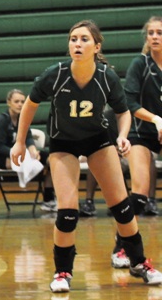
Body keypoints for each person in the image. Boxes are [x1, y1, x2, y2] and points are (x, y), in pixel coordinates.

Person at [10, 20, 162, 293]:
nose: (77, 44)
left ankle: (139, 263)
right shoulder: (55, 74)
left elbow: (123, 110)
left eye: (83, 39)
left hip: (97, 141)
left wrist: (123, 135)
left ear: (96, 46)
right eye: (73, 39)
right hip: (63, 143)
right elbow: (31, 105)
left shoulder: (106, 76)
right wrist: (20, 142)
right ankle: (62, 272)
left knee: (123, 207)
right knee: (68, 211)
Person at [110, 16, 162, 268]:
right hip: (140, 132)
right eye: (150, 33)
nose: (154, 37)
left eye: (159, 32)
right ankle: (121, 248)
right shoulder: (140, 65)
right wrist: (157, 120)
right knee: (139, 194)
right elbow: (129, 103)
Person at [0, 89, 56, 211]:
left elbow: (28, 136)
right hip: (2, 157)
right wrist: (17, 153)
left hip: (21, 154)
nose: (20, 104)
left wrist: (32, 150)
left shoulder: (22, 118)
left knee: (52, 159)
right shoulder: (1, 121)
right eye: (16, 101)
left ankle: (48, 198)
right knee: (33, 161)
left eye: (22, 101)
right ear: (8, 102)